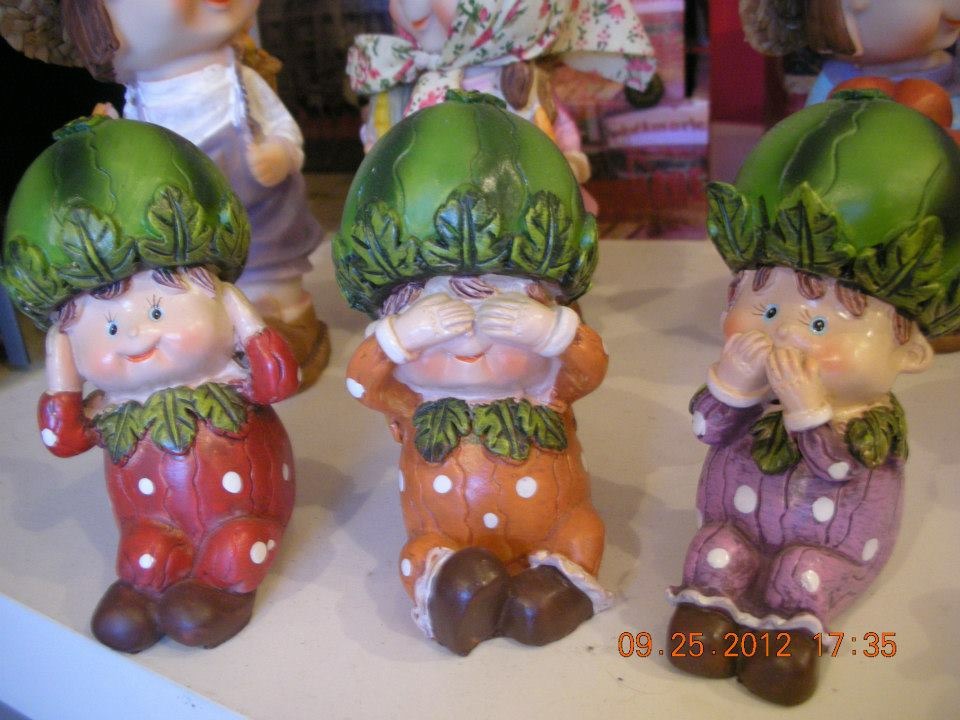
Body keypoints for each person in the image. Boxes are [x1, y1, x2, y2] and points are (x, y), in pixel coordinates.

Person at [668, 91, 960, 704]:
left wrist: (808, 411)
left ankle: (788, 644)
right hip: (735, 523)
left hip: (829, 549)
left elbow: (839, 469)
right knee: (716, 550)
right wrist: (732, 385)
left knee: (801, 571)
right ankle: (706, 618)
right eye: (766, 309)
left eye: (822, 323)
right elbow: (706, 428)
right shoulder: (752, 390)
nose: (788, 334)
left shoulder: (869, 422)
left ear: (909, 351)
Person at [1, 117, 300, 652]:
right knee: (144, 556)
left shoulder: (229, 380)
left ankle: (222, 589)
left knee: (236, 545)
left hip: (244, 513)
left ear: (216, 294)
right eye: (107, 328)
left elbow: (277, 381)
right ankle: (147, 586)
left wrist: (242, 315)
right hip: (151, 521)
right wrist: (62, 371)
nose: (134, 335)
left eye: (157, 310)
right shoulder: (112, 409)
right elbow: (63, 440)